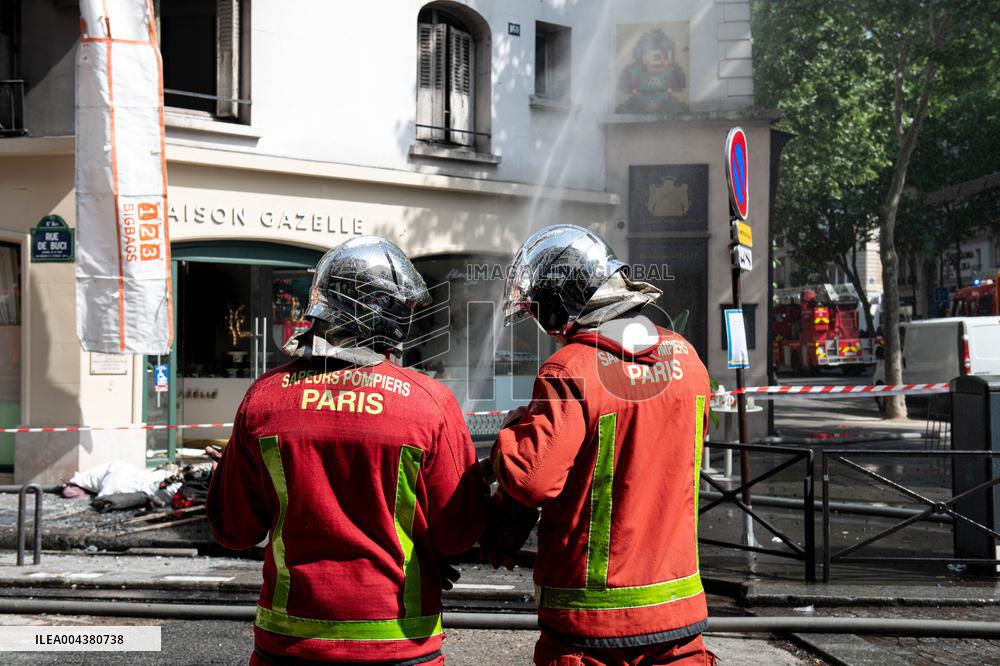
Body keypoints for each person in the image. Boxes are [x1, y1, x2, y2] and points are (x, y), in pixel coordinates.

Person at [207, 236, 486, 665]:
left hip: (289, 642)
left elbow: (234, 530)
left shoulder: (264, 399)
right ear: (388, 313)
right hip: (400, 641)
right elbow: (458, 534)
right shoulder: (428, 403)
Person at [484, 224, 716, 665]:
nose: (545, 329)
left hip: (592, 626)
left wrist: (510, 438)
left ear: (559, 306)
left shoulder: (570, 367)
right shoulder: (688, 359)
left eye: (539, 312)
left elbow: (533, 480)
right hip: (679, 615)